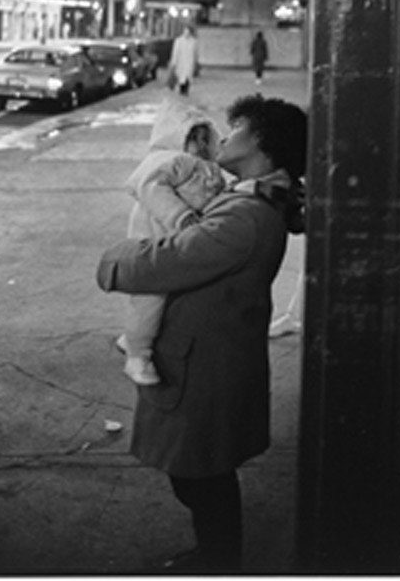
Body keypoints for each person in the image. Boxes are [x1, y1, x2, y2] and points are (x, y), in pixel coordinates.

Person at [97, 95, 307, 573]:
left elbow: (172, 259)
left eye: (234, 132)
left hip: (205, 365)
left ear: (259, 143)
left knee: (201, 475)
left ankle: (218, 561)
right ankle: (216, 554)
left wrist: (113, 260)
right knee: (202, 470)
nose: (223, 138)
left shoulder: (245, 217)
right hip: (208, 353)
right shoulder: (252, 197)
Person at [118, 109, 225, 386]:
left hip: (177, 240)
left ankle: (134, 337)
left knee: (170, 299)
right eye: (194, 138)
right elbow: (146, 185)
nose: (201, 145)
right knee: (150, 297)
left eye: (206, 138)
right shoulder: (168, 160)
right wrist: (181, 216)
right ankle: (137, 355)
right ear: (175, 137)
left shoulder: (205, 166)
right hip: (152, 238)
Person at [169, 24, 198, 95]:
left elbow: (195, 53)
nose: (186, 33)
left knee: (188, 78)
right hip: (180, 62)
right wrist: (174, 63)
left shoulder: (194, 41)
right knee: (181, 78)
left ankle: (186, 91)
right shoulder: (178, 41)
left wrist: (195, 62)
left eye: (188, 31)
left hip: (189, 62)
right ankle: (182, 91)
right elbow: (175, 52)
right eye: (185, 31)